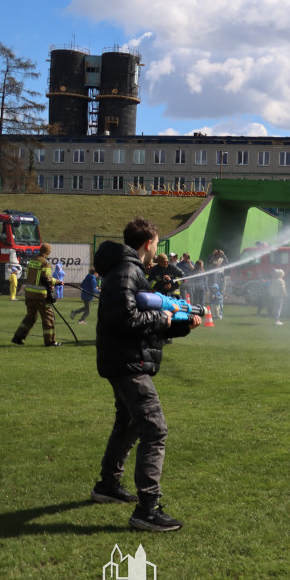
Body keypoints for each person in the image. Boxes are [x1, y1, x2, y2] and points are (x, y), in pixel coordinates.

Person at [91, 217, 202, 532]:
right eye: (156, 243)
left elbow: (146, 324)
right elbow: (124, 319)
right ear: (149, 243)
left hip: (126, 359)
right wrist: (162, 317)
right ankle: (147, 510)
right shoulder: (127, 271)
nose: (156, 249)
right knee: (155, 430)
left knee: (128, 424)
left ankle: (107, 486)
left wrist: (181, 324)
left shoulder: (128, 270)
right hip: (127, 363)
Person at [12, 242, 63, 347]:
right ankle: (50, 341)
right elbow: (46, 278)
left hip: (29, 295)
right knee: (48, 318)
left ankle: (18, 337)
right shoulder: (45, 263)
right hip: (40, 296)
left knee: (30, 317)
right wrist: (57, 282)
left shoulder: (32, 261)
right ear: (48, 252)